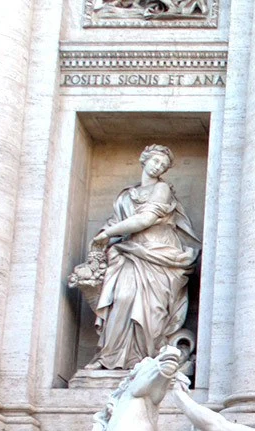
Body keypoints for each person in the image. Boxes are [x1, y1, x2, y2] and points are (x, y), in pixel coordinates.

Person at [79, 145, 200, 370]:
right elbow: (116, 223)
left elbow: (144, 220)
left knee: (153, 310)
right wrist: (100, 239)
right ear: (144, 160)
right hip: (130, 252)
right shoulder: (126, 196)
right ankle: (110, 357)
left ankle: (147, 360)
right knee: (122, 298)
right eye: (156, 161)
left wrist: (107, 235)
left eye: (163, 165)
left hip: (159, 254)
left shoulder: (162, 189)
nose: (158, 167)